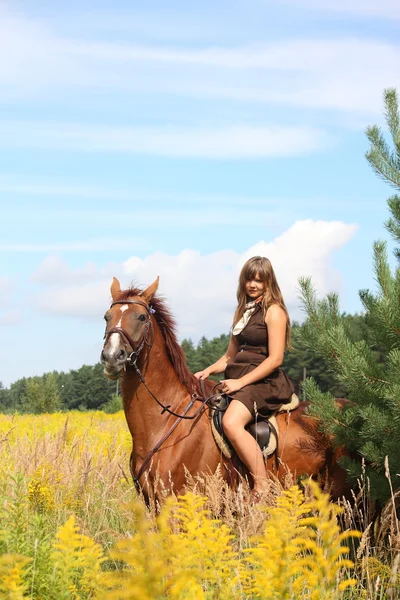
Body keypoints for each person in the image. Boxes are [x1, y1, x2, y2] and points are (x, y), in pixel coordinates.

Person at [195, 256, 294, 499]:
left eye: (259, 280)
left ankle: (262, 486)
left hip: (265, 381)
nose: (253, 284)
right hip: (238, 377)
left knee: (230, 422)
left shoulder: (274, 312)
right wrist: (207, 371)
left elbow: (276, 359)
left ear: (268, 282)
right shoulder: (243, 311)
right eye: (249, 279)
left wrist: (240, 382)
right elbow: (229, 357)